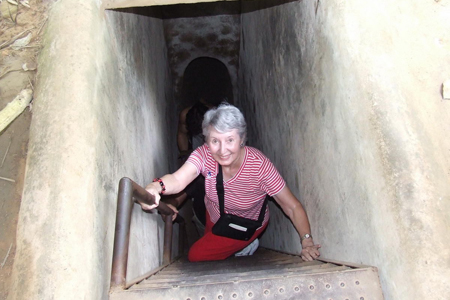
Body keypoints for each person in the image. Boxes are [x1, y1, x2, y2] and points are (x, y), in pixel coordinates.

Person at [139, 103, 321, 262]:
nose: (222, 150)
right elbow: (178, 179)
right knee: (211, 234)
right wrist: (156, 187)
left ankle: (244, 246)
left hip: (244, 223)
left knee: (196, 255)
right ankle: (231, 247)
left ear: (242, 139)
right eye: (215, 141)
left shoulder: (259, 166)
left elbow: (292, 206)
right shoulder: (204, 154)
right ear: (206, 141)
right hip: (216, 213)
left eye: (230, 140)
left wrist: (307, 241)